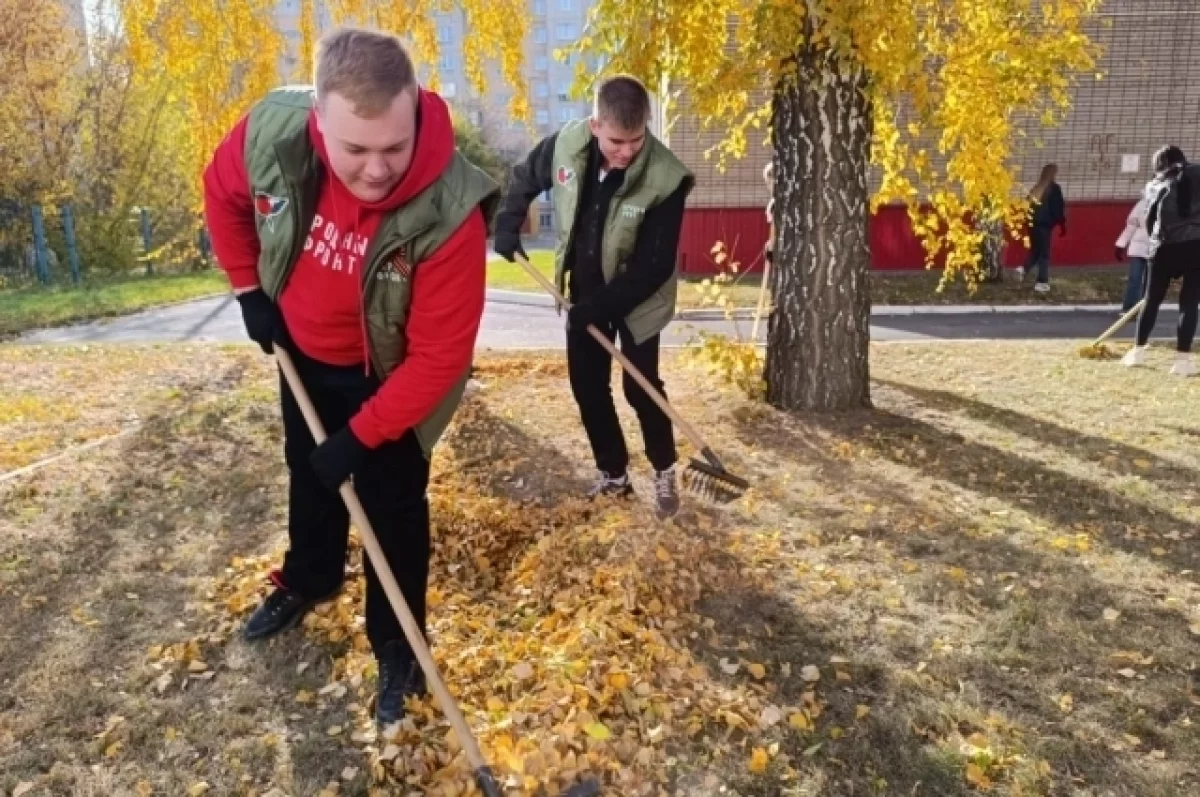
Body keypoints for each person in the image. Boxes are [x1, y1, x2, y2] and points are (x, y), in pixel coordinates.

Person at [202, 27, 499, 725]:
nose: (375, 169)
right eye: (355, 150)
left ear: (416, 112)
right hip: (304, 352)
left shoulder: (450, 211)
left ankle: (399, 643)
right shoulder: (273, 133)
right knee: (307, 472)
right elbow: (222, 196)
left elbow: (438, 359)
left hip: (391, 376)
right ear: (319, 125)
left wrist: (362, 436)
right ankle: (310, 576)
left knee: (391, 504)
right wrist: (249, 290)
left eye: (393, 148)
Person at [492, 75, 694, 520]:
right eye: (617, 141)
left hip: (639, 299)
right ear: (595, 124)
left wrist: (598, 309)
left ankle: (664, 469)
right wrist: (507, 222)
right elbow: (527, 175)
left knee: (640, 388)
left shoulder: (665, 177)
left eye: (636, 140)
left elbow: (654, 266)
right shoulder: (567, 145)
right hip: (584, 286)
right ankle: (614, 475)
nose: (626, 151)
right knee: (588, 385)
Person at [1122, 145, 1200, 376]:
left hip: (1164, 247)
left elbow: (1150, 218)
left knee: (1151, 299)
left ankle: (1137, 352)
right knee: (1189, 303)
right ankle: (1182, 361)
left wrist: (1156, 243)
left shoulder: (1156, 184)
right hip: (1196, 246)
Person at [1016, 163, 1067, 293]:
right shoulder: (1054, 189)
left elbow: (1026, 206)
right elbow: (1057, 208)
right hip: (1044, 225)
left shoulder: (1036, 188)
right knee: (1044, 254)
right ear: (1053, 174)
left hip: (1032, 225)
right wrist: (1061, 224)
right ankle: (1042, 282)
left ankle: (1023, 269)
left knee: (1035, 250)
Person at [1114, 192, 1151, 313]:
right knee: (1134, 279)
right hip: (1138, 248)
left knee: (1149, 281)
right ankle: (1128, 308)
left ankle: (1143, 309)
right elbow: (1131, 225)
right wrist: (1121, 245)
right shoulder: (1142, 204)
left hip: (1156, 249)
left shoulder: (1169, 202)